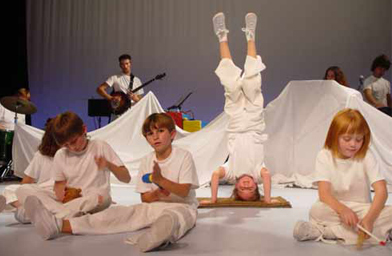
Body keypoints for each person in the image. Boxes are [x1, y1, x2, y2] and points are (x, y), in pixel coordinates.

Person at [23, 113, 199, 252]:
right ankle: (60, 225)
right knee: (120, 214)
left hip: (182, 206)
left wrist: (161, 181)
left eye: (160, 131)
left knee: (176, 218)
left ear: (173, 134)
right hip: (153, 206)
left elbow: (184, 193)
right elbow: (145, 199)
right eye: (150, 133)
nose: (155, 137)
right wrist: (156, 194)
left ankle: (159, 235)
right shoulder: (147, 160)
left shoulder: (183, 156)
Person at [201, 13, 272, 205]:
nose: (247, 184)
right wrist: (267, 199)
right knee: (251, 82)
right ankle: (251, 35)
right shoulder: (258, 172)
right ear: (256, 186)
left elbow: (216, 175)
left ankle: (222, 36)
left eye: (242, 188)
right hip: (255, 122)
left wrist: (214, 198)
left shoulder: (231, 172)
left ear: (236, 187)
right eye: (251, 188)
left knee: (230, 83)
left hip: (236, 122)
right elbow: (267, 176)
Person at [293, 108, 392, 245]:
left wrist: (369, 219)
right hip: (335, 209)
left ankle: (326, 232)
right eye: (347, 139)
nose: (353, 144)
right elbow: (324, 194)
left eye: (359, 140)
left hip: (362, 210)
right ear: (334, 136)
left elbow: (381, 191)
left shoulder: (367, 155)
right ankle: (382, 231)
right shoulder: (324, 155)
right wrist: (343, 210)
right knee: (317, 211)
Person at [19, 111, 130, 226]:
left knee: (103, 198)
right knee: (23, 190)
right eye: (66, 145)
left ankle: (38, 215)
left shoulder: (100, 146)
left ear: (84, 129)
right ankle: (64, 216)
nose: (72, 147)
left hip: (92, 199)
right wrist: (61, 195)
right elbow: (59, 185)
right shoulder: (61, 154)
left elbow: (126, 178)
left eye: (74, 141)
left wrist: (108, 164)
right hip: (70, 202)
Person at [0, 118, 59, 222]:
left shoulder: (44, 154)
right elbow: (27, 182)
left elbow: (26, 182)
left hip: (52, 194)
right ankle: (26, 210)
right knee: (11, 190)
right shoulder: (42, 155)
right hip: (45, 193)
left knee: (11, 191)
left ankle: (24, 209)